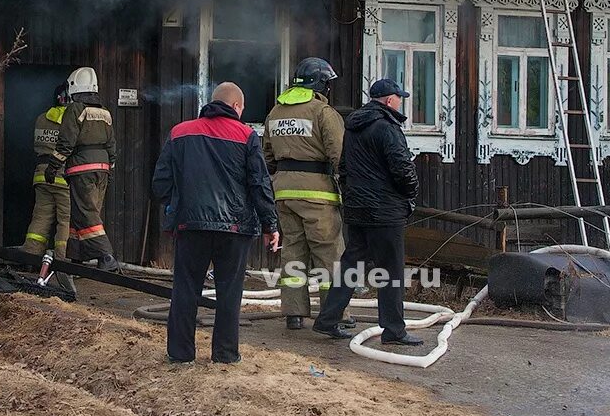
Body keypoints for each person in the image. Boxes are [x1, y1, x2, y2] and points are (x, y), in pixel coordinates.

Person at [152, 82, 280, 364]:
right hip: (234, 229)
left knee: (185, 289)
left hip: (190, 226)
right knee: (229, 293)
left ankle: (180, 353)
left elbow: (160, 182)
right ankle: (225, 354)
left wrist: (176, 206)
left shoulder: (179, 132)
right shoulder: (247, 135)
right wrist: (271, 225)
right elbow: (259, 184)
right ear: (236, 106)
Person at [313, 79, 421, 345]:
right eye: (399, 97)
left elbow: (345, 167)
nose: (400, 101)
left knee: (351, 266)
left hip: (357, 209)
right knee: (391, 270)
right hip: (385, 211)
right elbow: (402, 167)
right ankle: (394, 330)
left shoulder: (353, 127)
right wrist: (411, 192)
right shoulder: (387, 128)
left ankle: (327, 320)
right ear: (388, 100)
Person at [263, 57, 347, 331]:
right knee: (329, 253)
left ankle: (294, 313)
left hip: (283, 193)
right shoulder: (322, 112)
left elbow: (267, 156)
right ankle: (333, 315)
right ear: (321, 83)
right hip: (318, 194)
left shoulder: (275, 112)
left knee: (293, 252)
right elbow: (339, 155)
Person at [48, 66, 120, 272]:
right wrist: (110, 168)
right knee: (86, 212)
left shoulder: (75, 109)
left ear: (73, 88)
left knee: (87, 212)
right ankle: (77, 256)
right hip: (103, 168)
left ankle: (107, 257)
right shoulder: (104, 112)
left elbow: (66, 142)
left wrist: (53, 167)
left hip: (82, 168)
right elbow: (112, 144)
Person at [23, 83, 71, 259]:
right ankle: (63, 260)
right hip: (62, 176)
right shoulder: (70, 121)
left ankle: (30, 256)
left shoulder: (41, 118)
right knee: (66, 220)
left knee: (41, 218)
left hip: (41, 175)